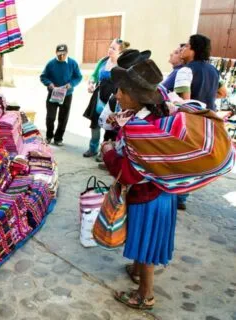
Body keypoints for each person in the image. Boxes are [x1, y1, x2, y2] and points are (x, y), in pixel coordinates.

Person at [101, 59, 234, 310]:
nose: (116, 94)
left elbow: (129, 174)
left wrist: (108, 151)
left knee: (146, 241)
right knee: (147, 238)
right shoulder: (159, 117)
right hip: (164, 193)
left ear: (135, 96)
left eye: (121, 91)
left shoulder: (139, 131)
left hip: (147, 197)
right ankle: (138, 271)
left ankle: (145, 295)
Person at [175, 34, 220, 210]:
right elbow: (222, 92)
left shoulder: (185, 70)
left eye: (186, 46)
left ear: (193, 50)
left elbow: (184, 100)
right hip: (209, 120)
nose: (183, 49)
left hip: (190, 121)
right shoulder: (213, 70)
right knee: (192, 160)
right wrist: (206, 96)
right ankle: (183, 196)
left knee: (181, 159)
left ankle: (178, 196)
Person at [83, 39, 130, 158]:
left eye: (114, 48)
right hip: (98, 96)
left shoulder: (122, 65)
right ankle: (92, 148)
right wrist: (91, 83)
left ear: (121, 52)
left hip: (113, 98)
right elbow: (94, 76)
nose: (110, 50)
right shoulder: (103, 61)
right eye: (110, 47)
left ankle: (104, 152)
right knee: (95, 123)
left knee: (110, 126)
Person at [40, 44, 83, 146]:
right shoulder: (51, 63)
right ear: (56, 53)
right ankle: (49, 136)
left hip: (66, 94)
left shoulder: (72, 63)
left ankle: (58, 138)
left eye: (63, 54)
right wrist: (49, 83)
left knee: (63, 118)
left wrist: (71, 84)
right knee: (50, 117)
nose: (61, 56)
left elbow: (78, 77)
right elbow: (43, 76)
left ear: (67, 53)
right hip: (53, 93)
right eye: (59, 54)